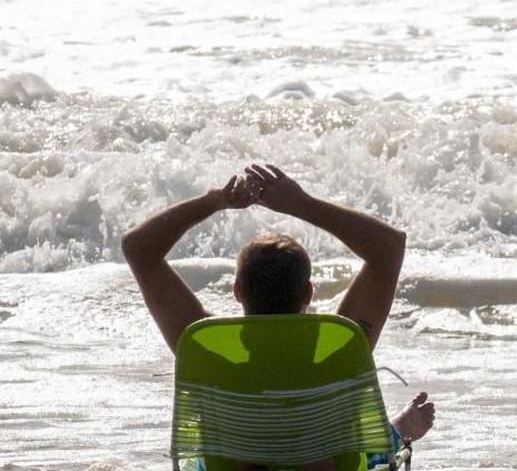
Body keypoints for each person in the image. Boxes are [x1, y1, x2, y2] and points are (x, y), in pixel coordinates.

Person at [120, 163, 435, 461]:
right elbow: (389, 247)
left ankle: (396, 429)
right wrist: (301, 204)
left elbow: (138, 249)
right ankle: (397, 431)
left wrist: (214, 201)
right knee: (355, 447)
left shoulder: (203, 346)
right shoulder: (343, 346)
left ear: (237, 291)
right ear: (308, 292)